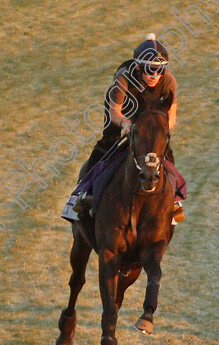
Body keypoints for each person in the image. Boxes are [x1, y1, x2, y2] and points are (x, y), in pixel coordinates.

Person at [76, 33, 185, 222]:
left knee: (163, 150)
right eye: (150, 69)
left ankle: (174, 200)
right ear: (138, 67)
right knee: (108, 142)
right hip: (124, 111)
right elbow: (115, 113)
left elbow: (172, 116)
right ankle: (84, 191)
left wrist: (158, 131)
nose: (154, 76)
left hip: (151, 115)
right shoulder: (123, 79)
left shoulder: (168, 81)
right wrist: (127, 124)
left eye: (159, 70)